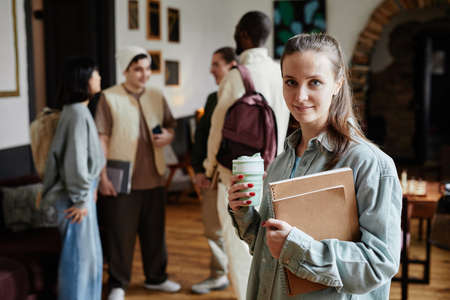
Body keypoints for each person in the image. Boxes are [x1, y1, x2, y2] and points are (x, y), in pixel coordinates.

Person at [228, 33, 402, 299]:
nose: (300, 95)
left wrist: (297, 248)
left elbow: (378, 264)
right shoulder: (281, 161)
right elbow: (269, 251)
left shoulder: (370, 164)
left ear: (337, 83)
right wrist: (243, 213)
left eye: (315, 82)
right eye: (291, 82)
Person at [203, 11, 290, 300]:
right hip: (274, 170)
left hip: (237, 176)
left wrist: (207, 169)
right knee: (269, 244)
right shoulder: (281, 72)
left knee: (239, 245)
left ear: (243, 34)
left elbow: (217, 128)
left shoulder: (237, 75)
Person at [95, 46, 180, 300]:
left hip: (154, 175)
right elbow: (102, 139)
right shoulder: (108, 97)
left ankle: (157, 278)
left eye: (147, 69)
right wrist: (102, 177)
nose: (144, 75)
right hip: (122, 179)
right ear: (125, 70)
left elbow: (170, 127)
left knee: (155, 232)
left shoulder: (156, 95)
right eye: (138, 69)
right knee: (121, 233)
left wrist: (168, 137)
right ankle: (118, 284)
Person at [39, 57, 106, 300]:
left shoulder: (77, 111)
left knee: (85, 259)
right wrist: (80, 199)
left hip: (80, 196)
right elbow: (75, 163)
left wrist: (89, 191)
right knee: (79, 262)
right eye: (95, 74)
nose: (99, 77)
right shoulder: (77, 113)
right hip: (74, 201)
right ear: (83, 80)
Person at [190, 47, 237, 294]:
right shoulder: (212, 98)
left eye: (216, 64)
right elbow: (201, 137)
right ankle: (219, 275)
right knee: (212, 227)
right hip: (211, 175)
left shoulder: (244, 97)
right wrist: (199, 169)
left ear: (231, 66)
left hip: (237, 176)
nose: (211, 70)